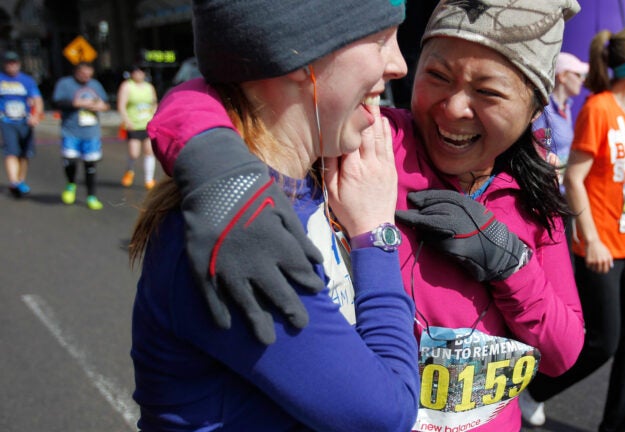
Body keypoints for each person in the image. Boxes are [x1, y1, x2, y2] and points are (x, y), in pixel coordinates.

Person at [144, 1, 586, 431]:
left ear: (534, 107)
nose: (453, 109)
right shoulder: (371, 142)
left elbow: (563, 353)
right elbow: (242, 86)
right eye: (435, 75)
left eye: (487, 92)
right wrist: (217, 167)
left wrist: (511, 264)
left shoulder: (534, 189)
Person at [129, 1, 420, 431]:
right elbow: (383, 415)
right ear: (299, 59)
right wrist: (377, 237)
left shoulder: (318, 167)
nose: (399, 64)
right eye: (380, 39)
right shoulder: (237, 233)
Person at [520, 28, 625, 431]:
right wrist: (592, 238)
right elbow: (576, 178)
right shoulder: (598, 109)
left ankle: (621, 424)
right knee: (603, 341)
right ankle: (535, 390)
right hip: (602, 248)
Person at [52, 62, 110, 210]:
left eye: (89, 75)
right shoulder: (65, 84)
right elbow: (56, 102)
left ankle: (91, 196)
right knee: (70, 160)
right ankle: (71, 184)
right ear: (76, 72)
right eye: (83, 74)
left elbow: (106, 104)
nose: (86, 78)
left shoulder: (95, 85)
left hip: (91, 131)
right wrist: (76, 103)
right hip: (71, 130)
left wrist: (100, 106)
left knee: (90, 164)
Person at [532, 52, 589, 180]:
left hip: (561, 186)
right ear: (562, 76)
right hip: (549, 184)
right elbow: (538, 150)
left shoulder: (566, 107)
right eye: (579, 75)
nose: (583, 80)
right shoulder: (544, 110)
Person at [0, 50, 43, 198]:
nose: (11, 66)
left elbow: (37, 99)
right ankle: (14, 181)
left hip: (24, 121)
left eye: (14, 63)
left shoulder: (27, 80)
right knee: (11, 151)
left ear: (18, 64)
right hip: (7, 121)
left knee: (24, 154)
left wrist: (36, 115)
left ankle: (20, 179)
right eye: (8, 63)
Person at [117, 64, 158, 190]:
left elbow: (154, 103)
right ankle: (129, 170)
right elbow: (121, 105)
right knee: (134, 153)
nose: (139, 74)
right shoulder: (127, 86)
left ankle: (149, 179)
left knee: (149, 151)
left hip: (147, 124)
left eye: (141, 72)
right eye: (136, 72)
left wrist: (155, 117)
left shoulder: (149, 87)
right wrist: (126, 120)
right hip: (133, 124)